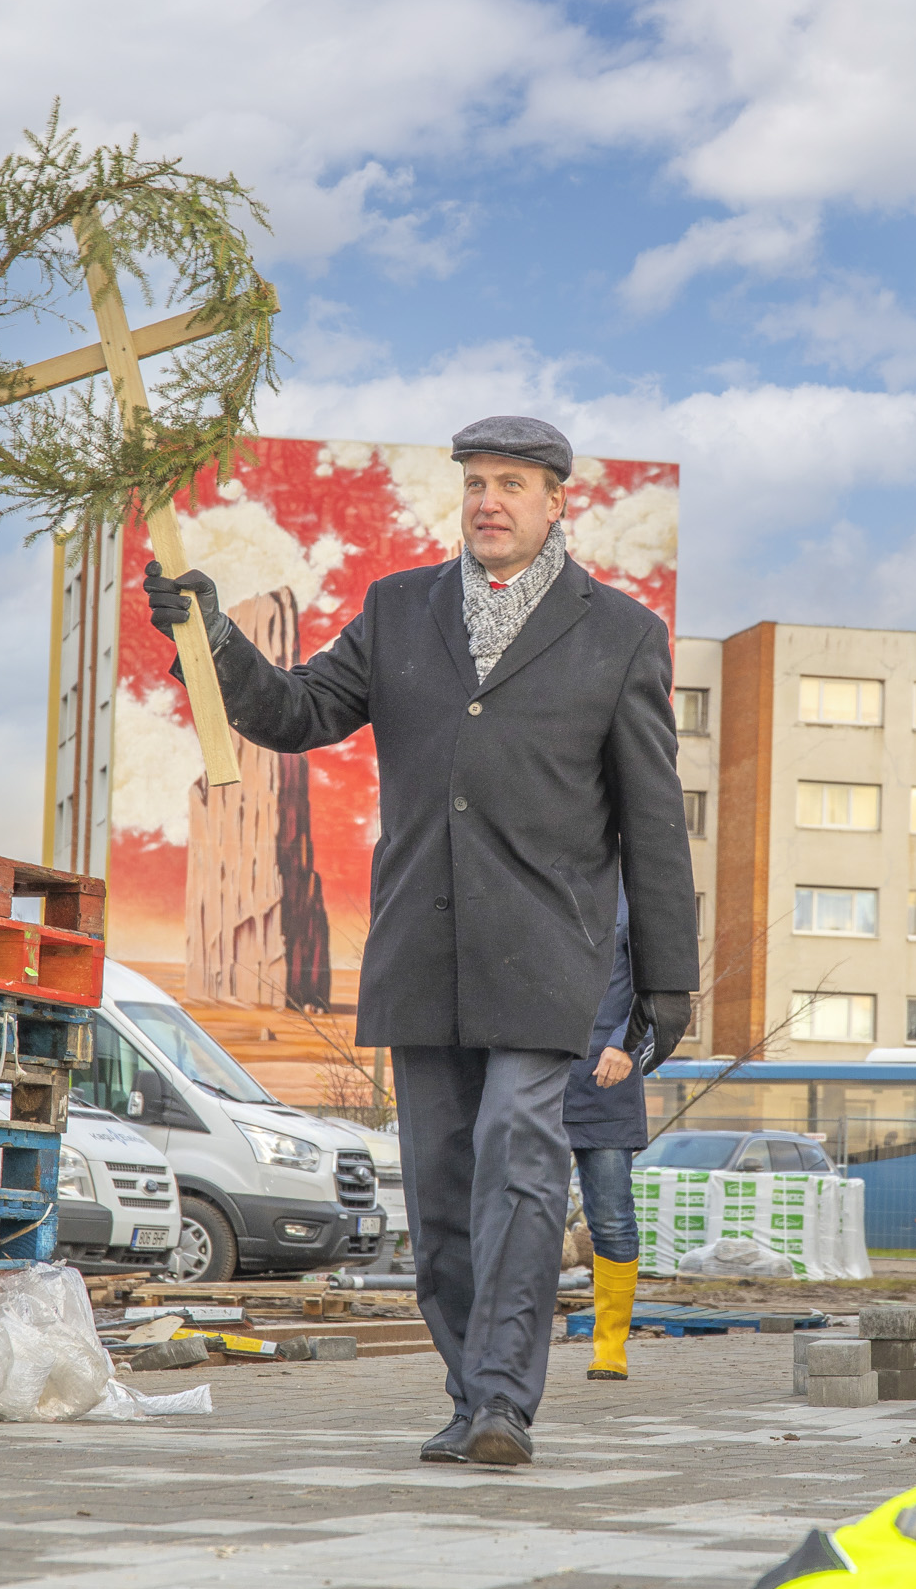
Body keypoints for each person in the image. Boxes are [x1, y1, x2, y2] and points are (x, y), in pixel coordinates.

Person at [143, 415, 698, 1469]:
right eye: (475, 482)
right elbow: (299, 711)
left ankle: (502, 1402)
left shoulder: (618, 634)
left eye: (511, 484)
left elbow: (652, 821)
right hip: (420, 950)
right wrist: (208, 643)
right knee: (439, 1190)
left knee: (517, 1161)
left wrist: (664, 986)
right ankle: (465, 1394)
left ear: (555, 502)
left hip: (544, 954)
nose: (488, 500)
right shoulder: (400, 609)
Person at [563, 886, 653, 1380]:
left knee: (612, 1219)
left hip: (608, 1079)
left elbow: (656, 987)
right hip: (541, 1075)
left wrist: (627, 1045)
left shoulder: (630, 894)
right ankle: (516, 1345)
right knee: (525, 1216)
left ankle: (610, 1346)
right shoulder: (540, 880)